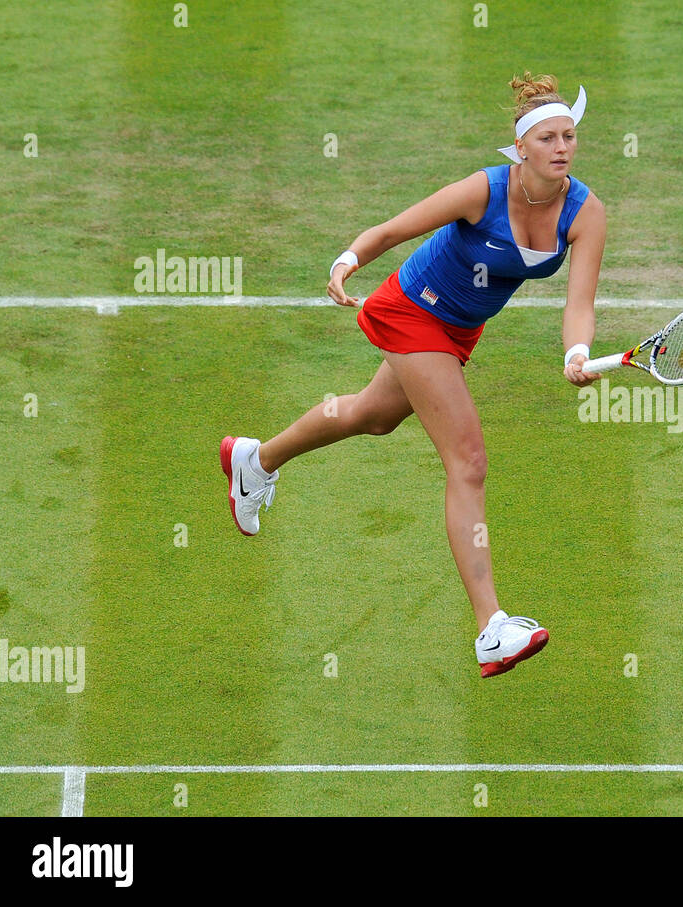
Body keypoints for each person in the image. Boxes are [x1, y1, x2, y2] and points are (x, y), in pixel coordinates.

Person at [220, 72, 606, 678]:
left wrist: (575, 353)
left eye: (570, 138)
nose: (563, 148)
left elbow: (578, 304)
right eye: (550, 138)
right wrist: (347, 261)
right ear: (521, 148)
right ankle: (491, 628)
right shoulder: (483, 190)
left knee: (371, 417)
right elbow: (397, 228)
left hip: (459, 330)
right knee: (468, 459)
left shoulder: (586, 213)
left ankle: (255, 459)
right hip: (413, 308)